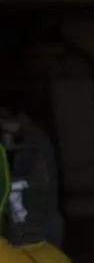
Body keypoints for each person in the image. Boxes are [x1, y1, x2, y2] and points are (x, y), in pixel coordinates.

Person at [0, 90, 65, 247]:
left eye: (6, 118)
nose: (3, 123)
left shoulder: (35, 146)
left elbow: (36, 181)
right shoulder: (28, 144)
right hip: (39, 221)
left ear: (22, 117)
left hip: (42, 222)